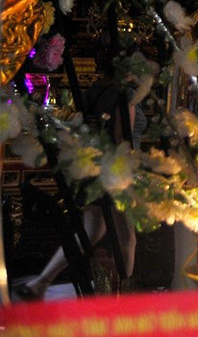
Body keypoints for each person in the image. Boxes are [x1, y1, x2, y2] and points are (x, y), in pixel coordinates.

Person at [13, 82, 147, 300]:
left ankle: (40, 282)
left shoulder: (97, 88)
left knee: (92, 230)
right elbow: (122, 141)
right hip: (117, 172)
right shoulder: (125, 92)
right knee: (127, 237)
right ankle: (122, 296)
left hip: (92, 168)